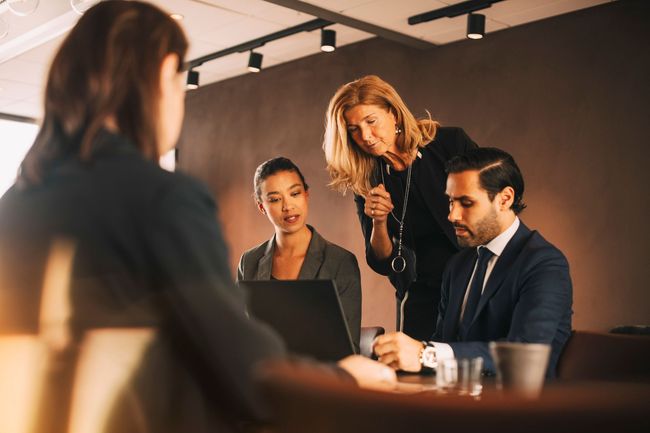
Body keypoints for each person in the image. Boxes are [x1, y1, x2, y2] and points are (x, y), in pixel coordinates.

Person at [0, 2, 395, 432]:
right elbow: (242, 370)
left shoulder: (13, 208)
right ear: (163, 75)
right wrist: (342, 379)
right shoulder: (162, 198)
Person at [372, 147, 573, 377]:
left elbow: (524, 353)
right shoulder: (458, 264)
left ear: (505, 199)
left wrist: (424, 354)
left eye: (466, 203)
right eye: (450, 201)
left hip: (521, 409)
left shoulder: (544, 264)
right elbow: (444, 343)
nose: (452, 215)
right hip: (456, 403)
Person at [323, 75, 478, 341]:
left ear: (393, 114)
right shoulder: (368, 179)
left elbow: (494, 202)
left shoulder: (449, 143)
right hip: (425, 290)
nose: (366, 136)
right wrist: (379, 222)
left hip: (476, 276)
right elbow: (381, 260)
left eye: (371, 121)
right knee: (415, 373)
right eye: (354, 129)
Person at [237, 157, 362, 350]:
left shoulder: (340, 261)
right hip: (266, 372)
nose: (288, 206)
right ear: (262, 206)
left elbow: (349, 347)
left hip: (320, 375)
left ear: (306, 194)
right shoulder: (249, 261)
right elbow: (243, 335)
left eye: (294, 193)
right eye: (275, 199)